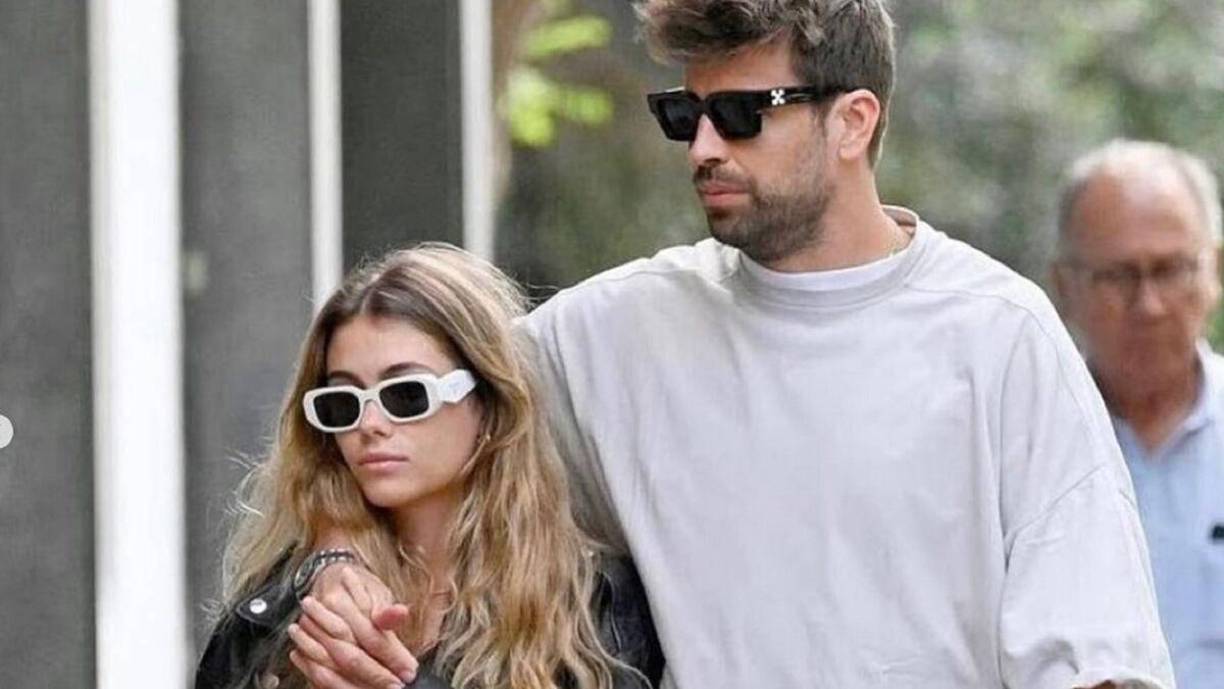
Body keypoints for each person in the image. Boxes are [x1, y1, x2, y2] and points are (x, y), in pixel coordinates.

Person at [301, 1, 1173, 687]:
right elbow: (390, 421)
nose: (705, 147)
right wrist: (336, 564)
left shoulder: (1000, 336)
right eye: (687, 113)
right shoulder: (616, 333)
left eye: (743, 114)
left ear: (854, 122)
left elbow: (1093, 656)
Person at [194, 244, 663, 689]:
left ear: (489, 403)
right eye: (342, 403)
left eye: (406, 396)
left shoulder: (589, 605)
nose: (371, 424)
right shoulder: (286, 608)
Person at [1051, 139, 1224, 689]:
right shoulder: (1029, 448)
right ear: (1065, 287)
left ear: (1214, 270)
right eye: (1119, 277)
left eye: (1171, 270)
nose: (1149, 305)